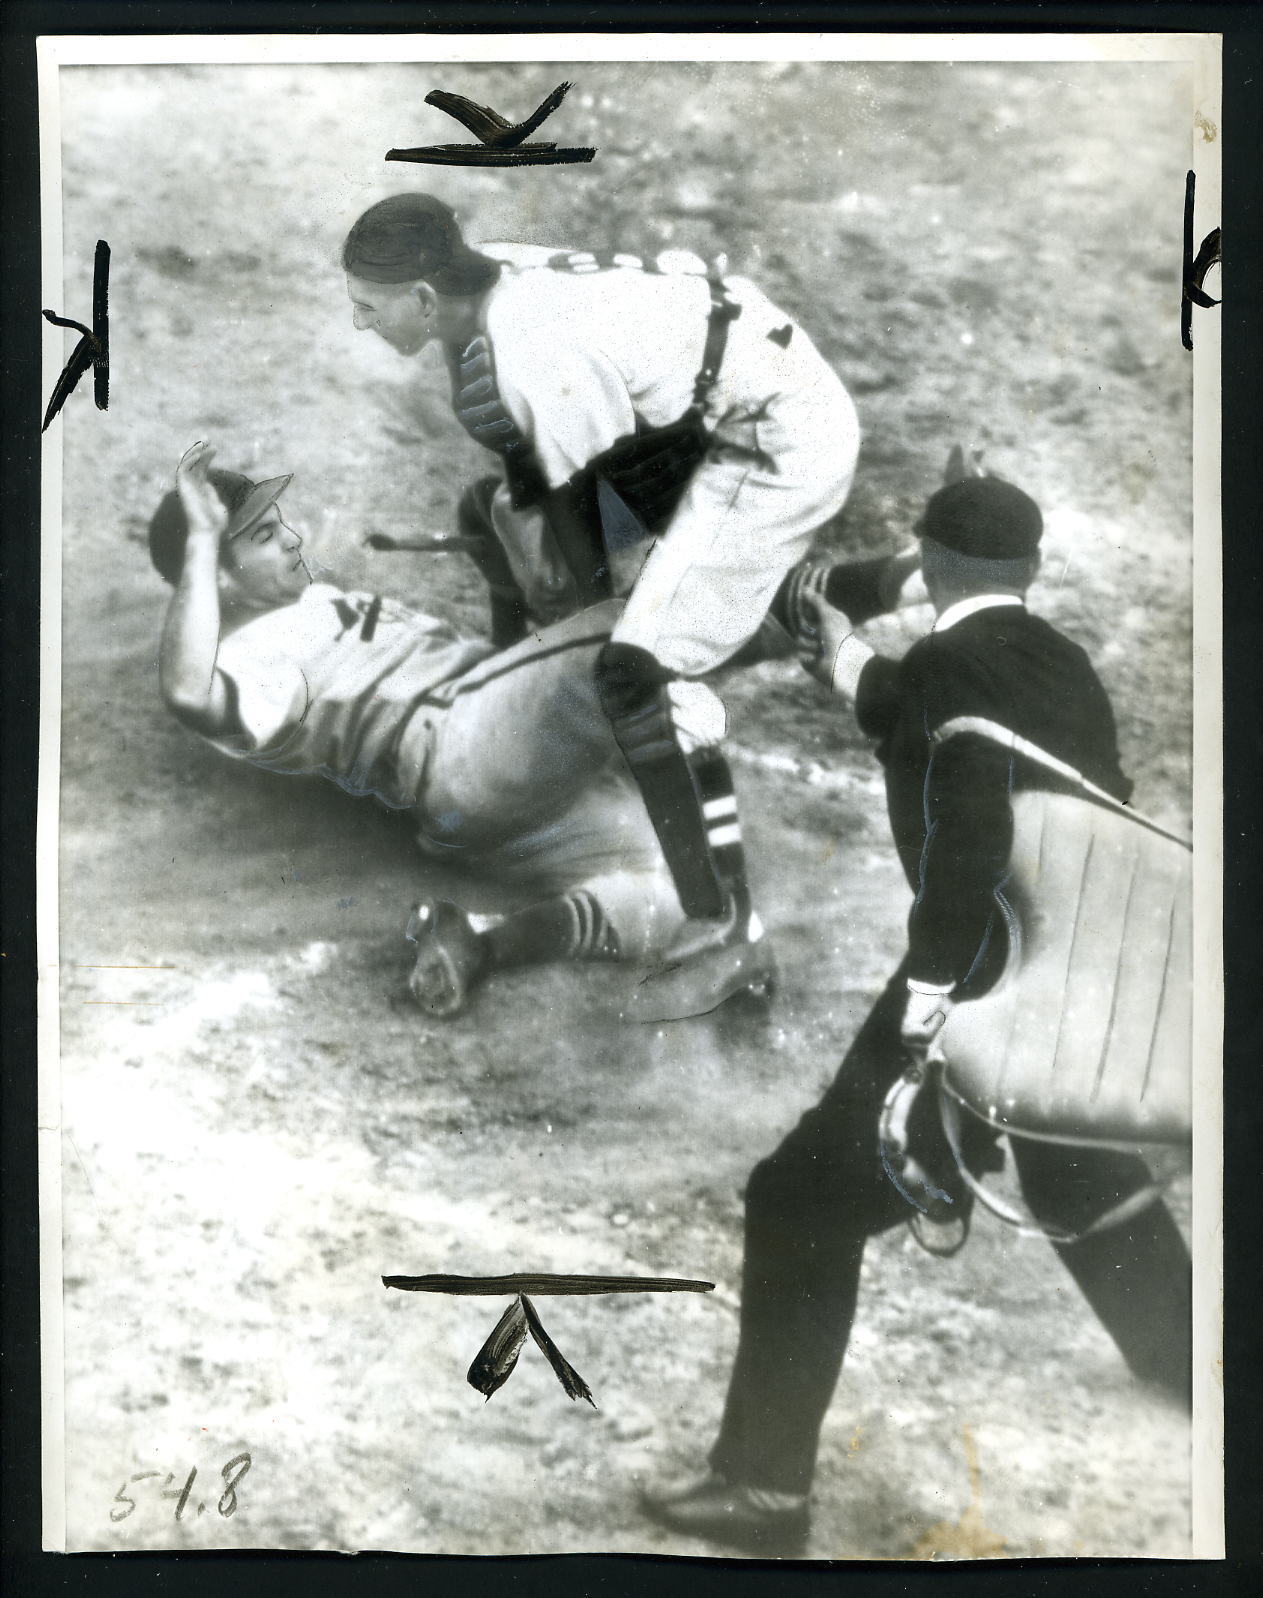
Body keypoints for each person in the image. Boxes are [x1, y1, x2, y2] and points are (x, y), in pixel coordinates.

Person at [637, 473, 1193, 1557]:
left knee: (798, 1200)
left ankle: (762, 1496)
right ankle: (1187, 1355)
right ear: (1030, 572)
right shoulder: (1060, 666)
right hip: (1079, 974)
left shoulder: (945, 670)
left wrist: (931, 1004)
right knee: (1069, 1151)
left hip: (975, 966)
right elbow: (908, 707)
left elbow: (969, 827)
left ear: (929, 566)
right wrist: (839, 650)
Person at [341, 192, 862, 1017]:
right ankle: (729, 604)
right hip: (718, 393)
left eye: (369, 308)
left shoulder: (533, 358)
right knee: (505, 515)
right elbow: (530, 467)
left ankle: (723, 922)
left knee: (631, 669)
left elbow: (589, 575)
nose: (361, 323)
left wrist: (572, 620)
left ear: (425, 297)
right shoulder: (491, 277)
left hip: (775, 441)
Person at [153, 440, 691, 1016]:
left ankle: (482, 943)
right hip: (452, 747)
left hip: (493, 794)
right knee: (635, 627)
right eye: (262, 538)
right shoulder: (254, 655)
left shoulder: (313, 604)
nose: (292, 539)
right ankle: (793, 606)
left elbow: (507, 693)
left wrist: (502, 589)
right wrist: (203, 539)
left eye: (279, 524)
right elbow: (189, 691)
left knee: (689, 886)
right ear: (220, 583)